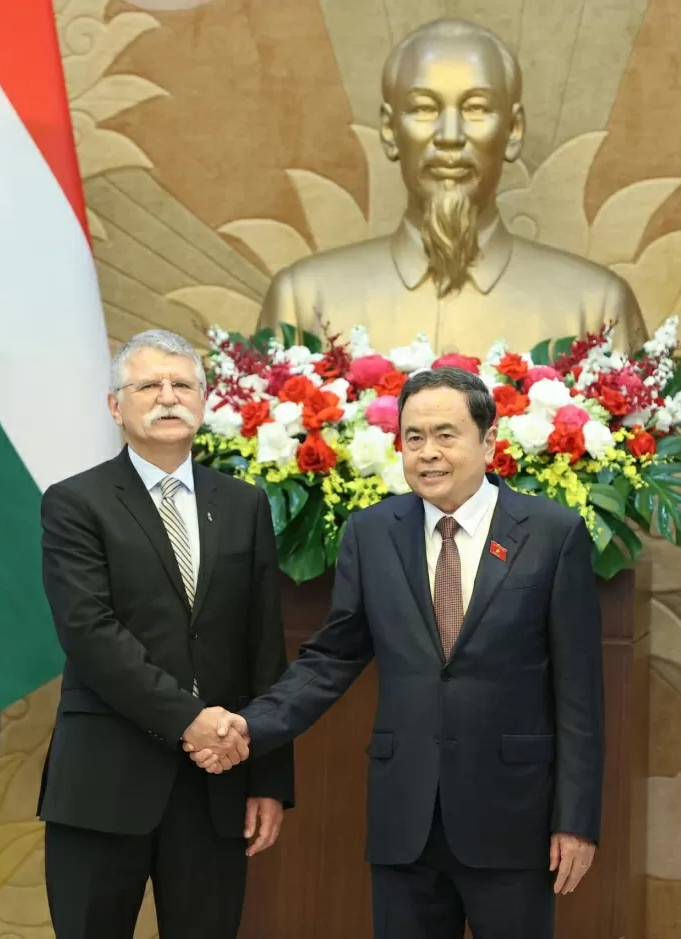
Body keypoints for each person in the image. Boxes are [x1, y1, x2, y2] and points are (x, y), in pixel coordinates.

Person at [191, 367, 604, 939]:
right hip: (404, 817)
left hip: (515, 818)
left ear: (489, 442)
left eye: (445, 435)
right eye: (413, 438)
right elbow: (330, 660)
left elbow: (580, 694)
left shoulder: (553, 534)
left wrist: (577, 822)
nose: (427, 453)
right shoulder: (371, 533)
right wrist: (248, 725)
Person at [36, 328, 294, 939]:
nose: (168, 397)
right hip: (105, 781)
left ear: (204, 403)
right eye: (148, 385)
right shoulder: (75, 502)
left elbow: (265, 644)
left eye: (182, 384)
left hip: (216, 785)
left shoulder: (244, 504)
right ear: (115, 407)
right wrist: (191, 719)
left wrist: (269, 780)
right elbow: (90, 633)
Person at [259, 17, 647, 362]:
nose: (449, 136)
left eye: (476, 108)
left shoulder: (598, 307)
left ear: (513, 131)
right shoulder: (303, 300)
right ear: (391, 131)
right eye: (424, 108)